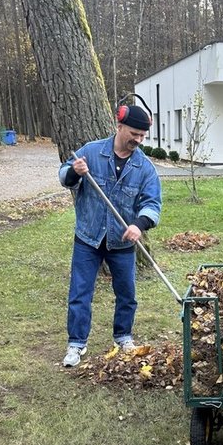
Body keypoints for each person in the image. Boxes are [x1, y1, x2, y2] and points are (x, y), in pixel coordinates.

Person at [58, 104, 162, 367]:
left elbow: (153, 204)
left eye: (142, 136)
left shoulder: (144, 168)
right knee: (80, 292)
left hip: (122, 242)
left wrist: (139, 224)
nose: (138, 140)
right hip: (88, 238)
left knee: (127, 294)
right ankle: (76, 344)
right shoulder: (91, 153)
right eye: (134, 134)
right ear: (119, 127)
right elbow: (64, 176)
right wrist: (74, 172)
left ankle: (123, 337)